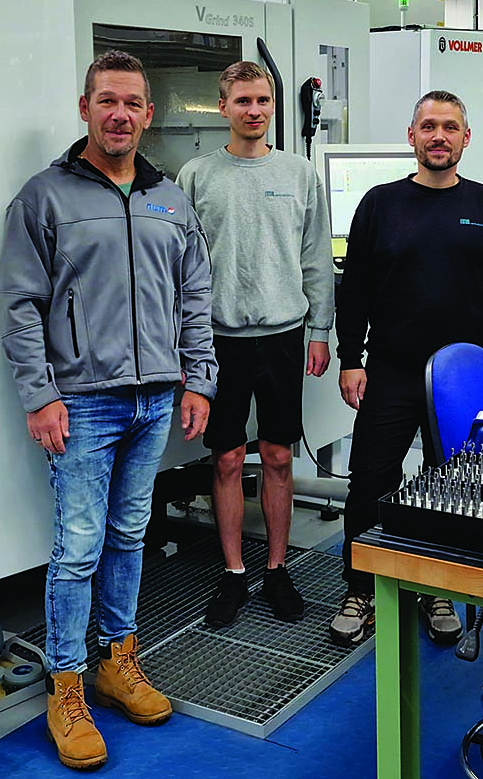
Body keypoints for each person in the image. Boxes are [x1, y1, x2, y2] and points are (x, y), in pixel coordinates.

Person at [0, 51, 217, 770]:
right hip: (83, 404)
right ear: (85, 108)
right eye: (108, 101)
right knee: (78, 547)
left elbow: (193, 297)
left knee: (130, 535)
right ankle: (67, 687)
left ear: (148, 115)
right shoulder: (46, 196)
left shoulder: (170, 199)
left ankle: (117, 661)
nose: (120, 114)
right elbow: (21, 305)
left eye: (133, 103)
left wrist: (199, 380)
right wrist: (40, 393)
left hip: (156, 396)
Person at [329, 90, 483, 647]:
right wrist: (349, 359)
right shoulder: (380, 204)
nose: (440, 136)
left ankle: (435, 584)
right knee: (369, 481)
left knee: (452, 485)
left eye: (451, 127)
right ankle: (361, 589)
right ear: (412, 137)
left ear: (467, 138)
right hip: (390, 370)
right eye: (429, 126)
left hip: (460, 380)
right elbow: (356, 289)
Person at [177, 61, 334, 627]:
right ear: (223, 108)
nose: (254, 110)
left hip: (284, 337)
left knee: (276, 456)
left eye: (263, 101)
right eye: (243, 100)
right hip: (219, 341)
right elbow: (181, 267)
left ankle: (275, 568)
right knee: (223, 459)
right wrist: (187, 348)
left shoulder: (298, 174)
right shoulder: (195, 176)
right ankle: (233, 572)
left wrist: (320, 331)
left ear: (273, 107)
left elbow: (316, 257)